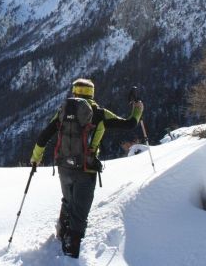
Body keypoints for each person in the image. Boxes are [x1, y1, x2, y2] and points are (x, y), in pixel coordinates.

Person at [29, 78, 143, 258]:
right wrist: (137, 110)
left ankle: (62, 231)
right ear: (92, 93)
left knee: (68, 200)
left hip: (63, 166)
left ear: (74, 92)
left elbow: (44, 136)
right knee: (80, 210)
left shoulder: (63, 112)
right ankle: (71, 249)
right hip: (86, 168)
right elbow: (129, 124)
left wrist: (36, 158)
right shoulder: (100, 113)